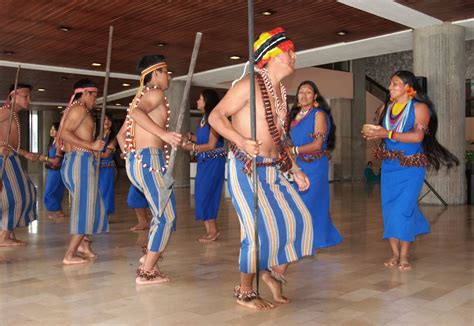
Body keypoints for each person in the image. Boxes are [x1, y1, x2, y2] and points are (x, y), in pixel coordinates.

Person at [209, 27, 314, 310]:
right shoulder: (248, 85)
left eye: (293, 51)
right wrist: (241, 140)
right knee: (255, 233)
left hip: (274, 168)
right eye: (287, 51)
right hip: (247, 168)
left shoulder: (280, 90)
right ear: (270, 56)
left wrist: (295, 169)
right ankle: (245, 291)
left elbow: (281, 137)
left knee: (298, 220)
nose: (293, 56)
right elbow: (215, 116)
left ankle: (272, 274)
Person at [362, 70, 459, 271]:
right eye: (390, 84)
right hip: (390, 167)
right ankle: (395, 254)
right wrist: (374, 134)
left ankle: (404, 255)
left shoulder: (419, 108)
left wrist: (386, 132)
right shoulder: (385, 108)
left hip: (412, 167)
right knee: (389, 209)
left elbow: (417, 137)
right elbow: (383, 135)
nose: (390, 87)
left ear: (408, 87)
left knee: (403, 209)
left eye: (395, 83)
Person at [117, 54, 181, 285]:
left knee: (161, 213)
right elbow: (135, 115)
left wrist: (130, 155)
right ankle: (147, 270)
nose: (169, 75)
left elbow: (120, 135)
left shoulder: (139, 97)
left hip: (140, 161)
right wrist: (163, 135)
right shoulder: (154, 92)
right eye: (166, 71)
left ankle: (149, 256)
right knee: (166, 215)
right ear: (155, 73)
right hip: (149, 160)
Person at [58, 79, 108, 265]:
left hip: (81, 161)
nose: (96, 98)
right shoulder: (78, 109)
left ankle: (83, 245)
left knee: (92, 205)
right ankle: (69, 254)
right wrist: (91, 145)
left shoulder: (80, 110)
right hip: (79, 162)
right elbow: (64, 133)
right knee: (85, 208)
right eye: (94, 94)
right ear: (85, 93)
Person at [288, 80, 342, 250]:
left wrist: (294, 150)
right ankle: (303, 239)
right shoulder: (294, 117)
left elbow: (317, 144)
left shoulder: (318, 114)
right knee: (297, 203)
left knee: (311, 201)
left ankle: (315, 239)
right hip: (296, 166)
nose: (304, 95)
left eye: (308, 92)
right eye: (301, 92)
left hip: (315, 165)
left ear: (315, 96)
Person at [182, 89, 226, 243]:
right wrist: (191, 138)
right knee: (200, 194)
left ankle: (213, 230)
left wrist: (191, 148)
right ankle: (209, 230)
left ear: (207, 101)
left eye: (200, 99)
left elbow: (212, 145)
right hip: (204, 162)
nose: (197, 101)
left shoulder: (213, 119)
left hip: (213, 163)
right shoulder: (203, 119)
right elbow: (202, 139)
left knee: (207, 194)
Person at [0, 83, 38, 246]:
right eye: (25, 96)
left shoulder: (14, 114)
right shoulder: (7, 111)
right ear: (13, 96)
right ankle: (4, 236)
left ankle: (9, 232)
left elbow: (11, 144)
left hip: (12, 158)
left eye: (29, 96)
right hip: (4, 160)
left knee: (25, 192)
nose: (28, 99)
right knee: (19, 196)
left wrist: (25, 153)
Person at [39, 122, 65, 219]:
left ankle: (57, 210)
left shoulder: (60, 143)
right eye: (51, 129)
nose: (51, 131)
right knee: (55, 190)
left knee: (49, 191)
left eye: (54, 129)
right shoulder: (53, 142)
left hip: (57, 171)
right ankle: (59, 211)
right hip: (52, 170)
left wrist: (45, 158)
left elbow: (57, 160)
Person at [98, 113, 117, 216]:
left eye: (108, 120)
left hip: (107, 168)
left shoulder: (113, 137)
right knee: (97, 191)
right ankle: (98, 212)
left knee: (105, 190)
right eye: (104, 119)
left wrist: (94, 153)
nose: (106, 122)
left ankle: (104, 213)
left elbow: (106, 155)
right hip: (96, 168)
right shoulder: (97, 135)